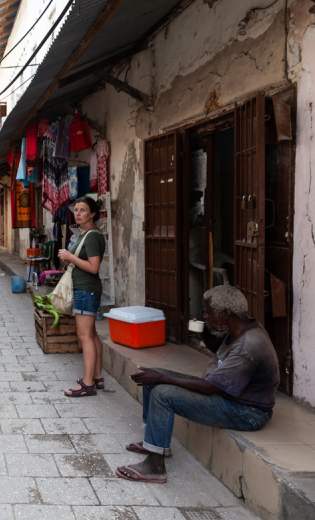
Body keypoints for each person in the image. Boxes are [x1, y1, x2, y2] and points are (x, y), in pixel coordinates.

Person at [117, 286, 278, 484]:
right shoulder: (239, 327)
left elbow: (210, 388)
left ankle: (155, 467)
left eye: (208, 312)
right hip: (227, 396)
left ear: (225, 314)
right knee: (154, 376)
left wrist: (163, 378)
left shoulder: (249, 345)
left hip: (247, 412)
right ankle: (154, 443)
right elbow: (218, 348)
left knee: (162, 391)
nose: (205, 315)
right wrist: (204, 331)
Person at [58, 196, 106, 397]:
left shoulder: (93, 236)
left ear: (93, 213)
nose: (77, 214)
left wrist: (70, 257)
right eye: (76, 210)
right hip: (85, 289)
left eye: (83, 210)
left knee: (84, 336)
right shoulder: (86, 234)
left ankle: (87, 384)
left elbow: (94, 268)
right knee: (92, 334)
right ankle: (96, 377)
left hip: (86, 290)